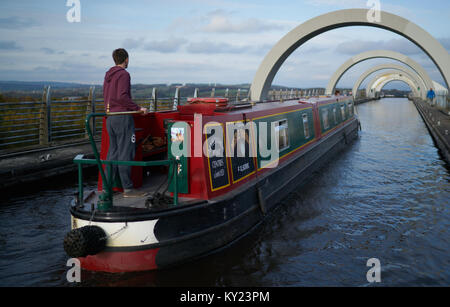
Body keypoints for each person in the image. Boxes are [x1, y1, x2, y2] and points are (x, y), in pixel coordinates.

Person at [103, 48, 148, 198]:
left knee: (112, 153)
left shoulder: (108, 75)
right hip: (122, 117)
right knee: (125, 153)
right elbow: (122, 97)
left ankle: (106, 187)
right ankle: (128, 189)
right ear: (126, 59)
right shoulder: (124, 74)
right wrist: (138, 108)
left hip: (110, 117)